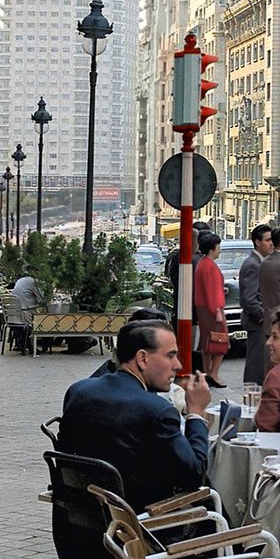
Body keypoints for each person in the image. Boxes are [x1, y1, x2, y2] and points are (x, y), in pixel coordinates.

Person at [58, 321, 210, 511]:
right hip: (142, 529)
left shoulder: (78, 391)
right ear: (142, 359)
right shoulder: (157, 410)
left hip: (82, 520)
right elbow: (194, 475)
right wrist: (195, 413)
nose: (178, 365)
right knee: (212, 497)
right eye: (170, 355)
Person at [165, 219, 210, 372]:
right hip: (192, 307)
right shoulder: (194, 259)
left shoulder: (178, 256)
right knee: (192, 343)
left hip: (183, 305)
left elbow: (171, 277)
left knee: (186, 341)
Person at [238, 223, 274, 384]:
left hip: (260, 324)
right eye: (268, 240)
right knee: (256, 366)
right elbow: (249, 299)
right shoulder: (253, 265)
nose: (271, 244)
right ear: (258, 242)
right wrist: (264, 318)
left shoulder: (260, 262)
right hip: (257, 325)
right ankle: (251, 400)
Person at [193, 232, 227, 389]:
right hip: (212, 309)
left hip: (204, 308)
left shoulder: (203, 263)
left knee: (207, 343)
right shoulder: (209, 266)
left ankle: (207, 372)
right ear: (212, 249)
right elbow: (211, 290)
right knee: (220, 342)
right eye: (218, 247)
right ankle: (213, 373)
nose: (220, 250)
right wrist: (217, 310)